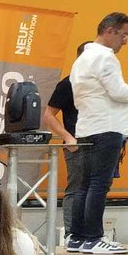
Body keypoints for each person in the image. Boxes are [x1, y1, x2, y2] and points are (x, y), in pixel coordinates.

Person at [67, 12, 128, 255]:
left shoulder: (82, 58)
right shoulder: (106, 57)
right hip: (107, 127)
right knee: (99, 184)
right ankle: (93, 238)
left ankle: (77, 238)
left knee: (83, 184)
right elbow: (118, 92)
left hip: (86, 127)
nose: (126, 41)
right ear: (109, 30)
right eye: (124, 35)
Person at [41, 45, 90, 243]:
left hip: (101, 143)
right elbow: (49, 115)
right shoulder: (68, 83)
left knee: (97, 188)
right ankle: (73, 234)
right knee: (76, 187)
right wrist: (68, 137)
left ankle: (92, 233)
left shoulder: (100, 84)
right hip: (77, 144)